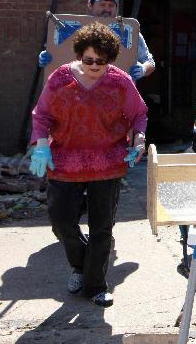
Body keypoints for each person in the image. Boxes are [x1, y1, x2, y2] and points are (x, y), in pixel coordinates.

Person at [29, 22, 148, 307]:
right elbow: (42, 115)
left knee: (102, 226)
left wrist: (139, 141)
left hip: (107, 160)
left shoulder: (120, 82)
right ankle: (81, 264)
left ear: (110, 59)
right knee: (61, 220)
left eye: (102, 61)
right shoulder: (60, 79)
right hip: (65, 160)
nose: (95, 65)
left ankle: (95, 285)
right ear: (80, 55)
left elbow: (139, 114)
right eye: (89, 60)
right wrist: (42, 146)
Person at [38, 0, 155, 81]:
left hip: (113, 94)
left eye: (111, 5)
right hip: (76, 94)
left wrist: (143, 69)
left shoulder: (128, 31)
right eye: (102, 4)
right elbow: (56, 56)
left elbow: (149, 62)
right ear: (90, 5)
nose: (107, 9)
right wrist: (47, 58)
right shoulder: (71, 27)